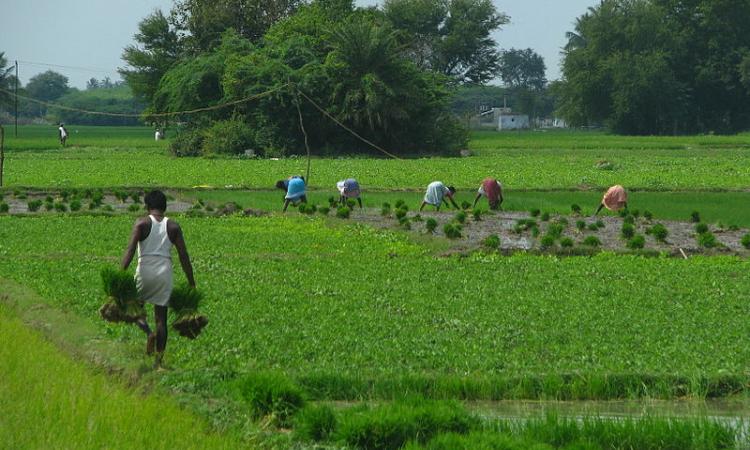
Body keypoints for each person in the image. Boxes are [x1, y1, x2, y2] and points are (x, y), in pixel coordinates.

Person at [121, 190, 195, 369]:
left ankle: (148, 333)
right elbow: (184, 256)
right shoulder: (173, 227)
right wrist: (191, 281)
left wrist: (121, 273)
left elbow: (130, 250)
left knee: (133, 309)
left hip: (145, 269)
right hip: (164, 273)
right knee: (161, 319)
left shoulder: (141, 223)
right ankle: (159, 362)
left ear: (147, 207)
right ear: (165, 207)